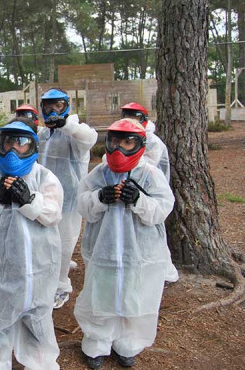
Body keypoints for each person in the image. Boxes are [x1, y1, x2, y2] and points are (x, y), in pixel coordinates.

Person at [74, 119, 175, 369]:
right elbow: (82, 204)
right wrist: (100, 197)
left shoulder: (150, 173)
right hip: (103, 251)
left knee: (135, 296)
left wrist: (139, 200)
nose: (119, 149)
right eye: (114, 141)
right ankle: (97, 343)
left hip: (139, 254)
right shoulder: (99, 173)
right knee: (101, 296)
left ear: (140, 145)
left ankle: (128, 343)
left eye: (127, 142)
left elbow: (163, 207)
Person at [0, 118, 64, 370]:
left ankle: (41, 364)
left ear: (32, 147)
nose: (12, 150)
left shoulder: (45, 177)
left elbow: (53, 213)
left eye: (20, 144)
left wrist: (30, 200)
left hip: (37, 272)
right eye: (7, 142)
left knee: (38, 323)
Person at [37, 88, 98, 309]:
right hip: (44, 197)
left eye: (58, 106)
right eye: (48, 106)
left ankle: (61, 287)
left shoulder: (74, 135)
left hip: (69, 199)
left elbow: (90, 137)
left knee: (63, 243)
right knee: (44, 241)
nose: (52, 111)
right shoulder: (44, 135)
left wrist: (67, 125)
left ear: (67, 107)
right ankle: (50, 276)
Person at [119, 102, 178, 283]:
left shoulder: (152, 141)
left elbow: (145, 165)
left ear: (143, 118)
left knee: (154, 235)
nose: (129, 120)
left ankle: (165, 273)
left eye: (134, 116)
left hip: (149, 191)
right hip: (132, 190)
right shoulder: (126, 137)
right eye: (126, 116)